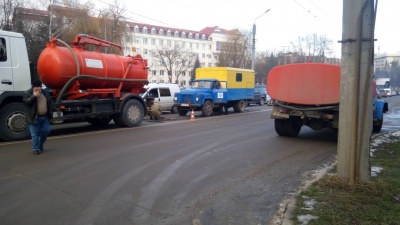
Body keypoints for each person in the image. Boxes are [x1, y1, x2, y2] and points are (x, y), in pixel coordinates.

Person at [23, 80, 53, 155]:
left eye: (40, 87)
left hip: (45, 117)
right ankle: (36, 149)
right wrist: (34, 96)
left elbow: (49, 102)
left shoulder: (45, 92)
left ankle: (39, 144)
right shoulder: (27, 93)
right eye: (37, 87)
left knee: (46, 131)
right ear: (33, 87)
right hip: (34, 117)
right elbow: (26, 102)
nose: (39, 89)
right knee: (35, 134)